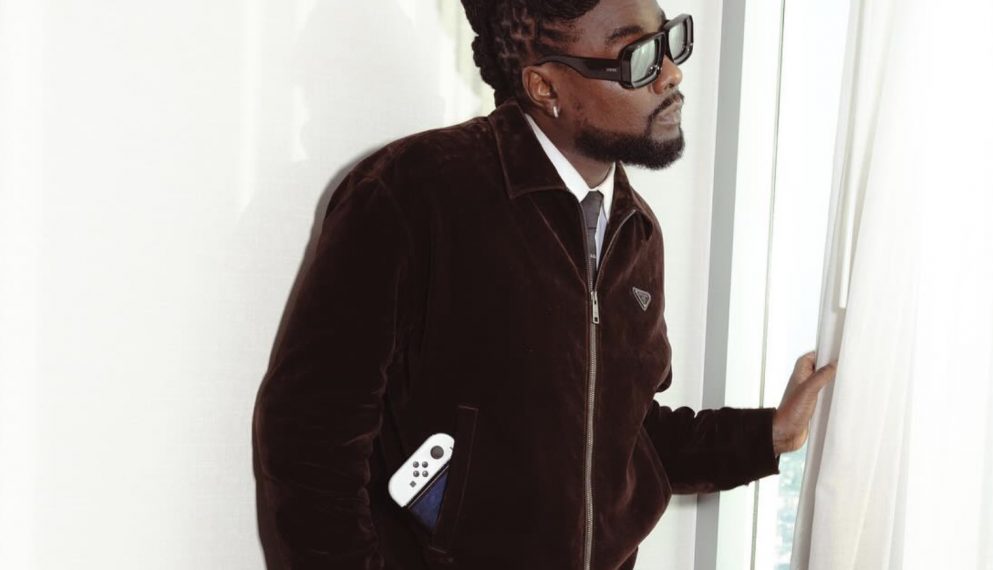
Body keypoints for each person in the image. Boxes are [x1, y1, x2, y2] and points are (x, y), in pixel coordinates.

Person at [252, 0, 837, 568]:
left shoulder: (636, 231)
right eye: (637, 55)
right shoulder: (413, 193)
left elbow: (623, 436)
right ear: (545, 87)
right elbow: (310, 438)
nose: (671, 74)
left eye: (671, 40)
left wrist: (769, 435)